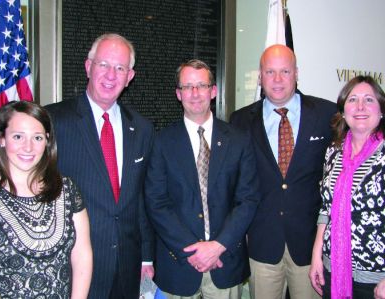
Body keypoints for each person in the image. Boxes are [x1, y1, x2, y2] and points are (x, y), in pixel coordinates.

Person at [46, 33, 155, 299]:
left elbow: (141, 197)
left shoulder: (142, 128)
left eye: (120, 68)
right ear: (88, 67)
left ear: (130, 77)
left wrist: (146, 257)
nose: (111, 75)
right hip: (72, 265)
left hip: (128, 267)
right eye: (103, 64)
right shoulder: (53, 121)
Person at [144, 59, 261, 299]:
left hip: (225, 260)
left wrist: (218, 246)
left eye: (201, 85)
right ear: (178, 94)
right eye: (187, 87)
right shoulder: (161, 142)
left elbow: (247, 199)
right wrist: (194, 251)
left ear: (213, 91)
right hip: (179, 263)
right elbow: (156, 202)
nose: (195, 93)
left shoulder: (239, 140)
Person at [230, 44, 336, 299]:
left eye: (285, 72)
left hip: (311, 246)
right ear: (260, 76)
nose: (277, 80)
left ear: (296, 73)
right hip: (262, 243)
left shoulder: (327, 114)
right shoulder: (240, 121)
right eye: (270, 72)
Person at [0, 101, 92, 299]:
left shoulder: (67, 189)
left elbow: (81, 256)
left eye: (37, 137)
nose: (28, 147)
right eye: (18, 136)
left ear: (47, 141)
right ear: (1, 139)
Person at [309, 76, 385, 299]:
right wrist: (316, 255)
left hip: (375, 279)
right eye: (353, 99)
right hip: (333, 270)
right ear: (343, 111)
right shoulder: (334, 151)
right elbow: (326, 208)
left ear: (381, 110)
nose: (360, 106)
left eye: (369, 99)